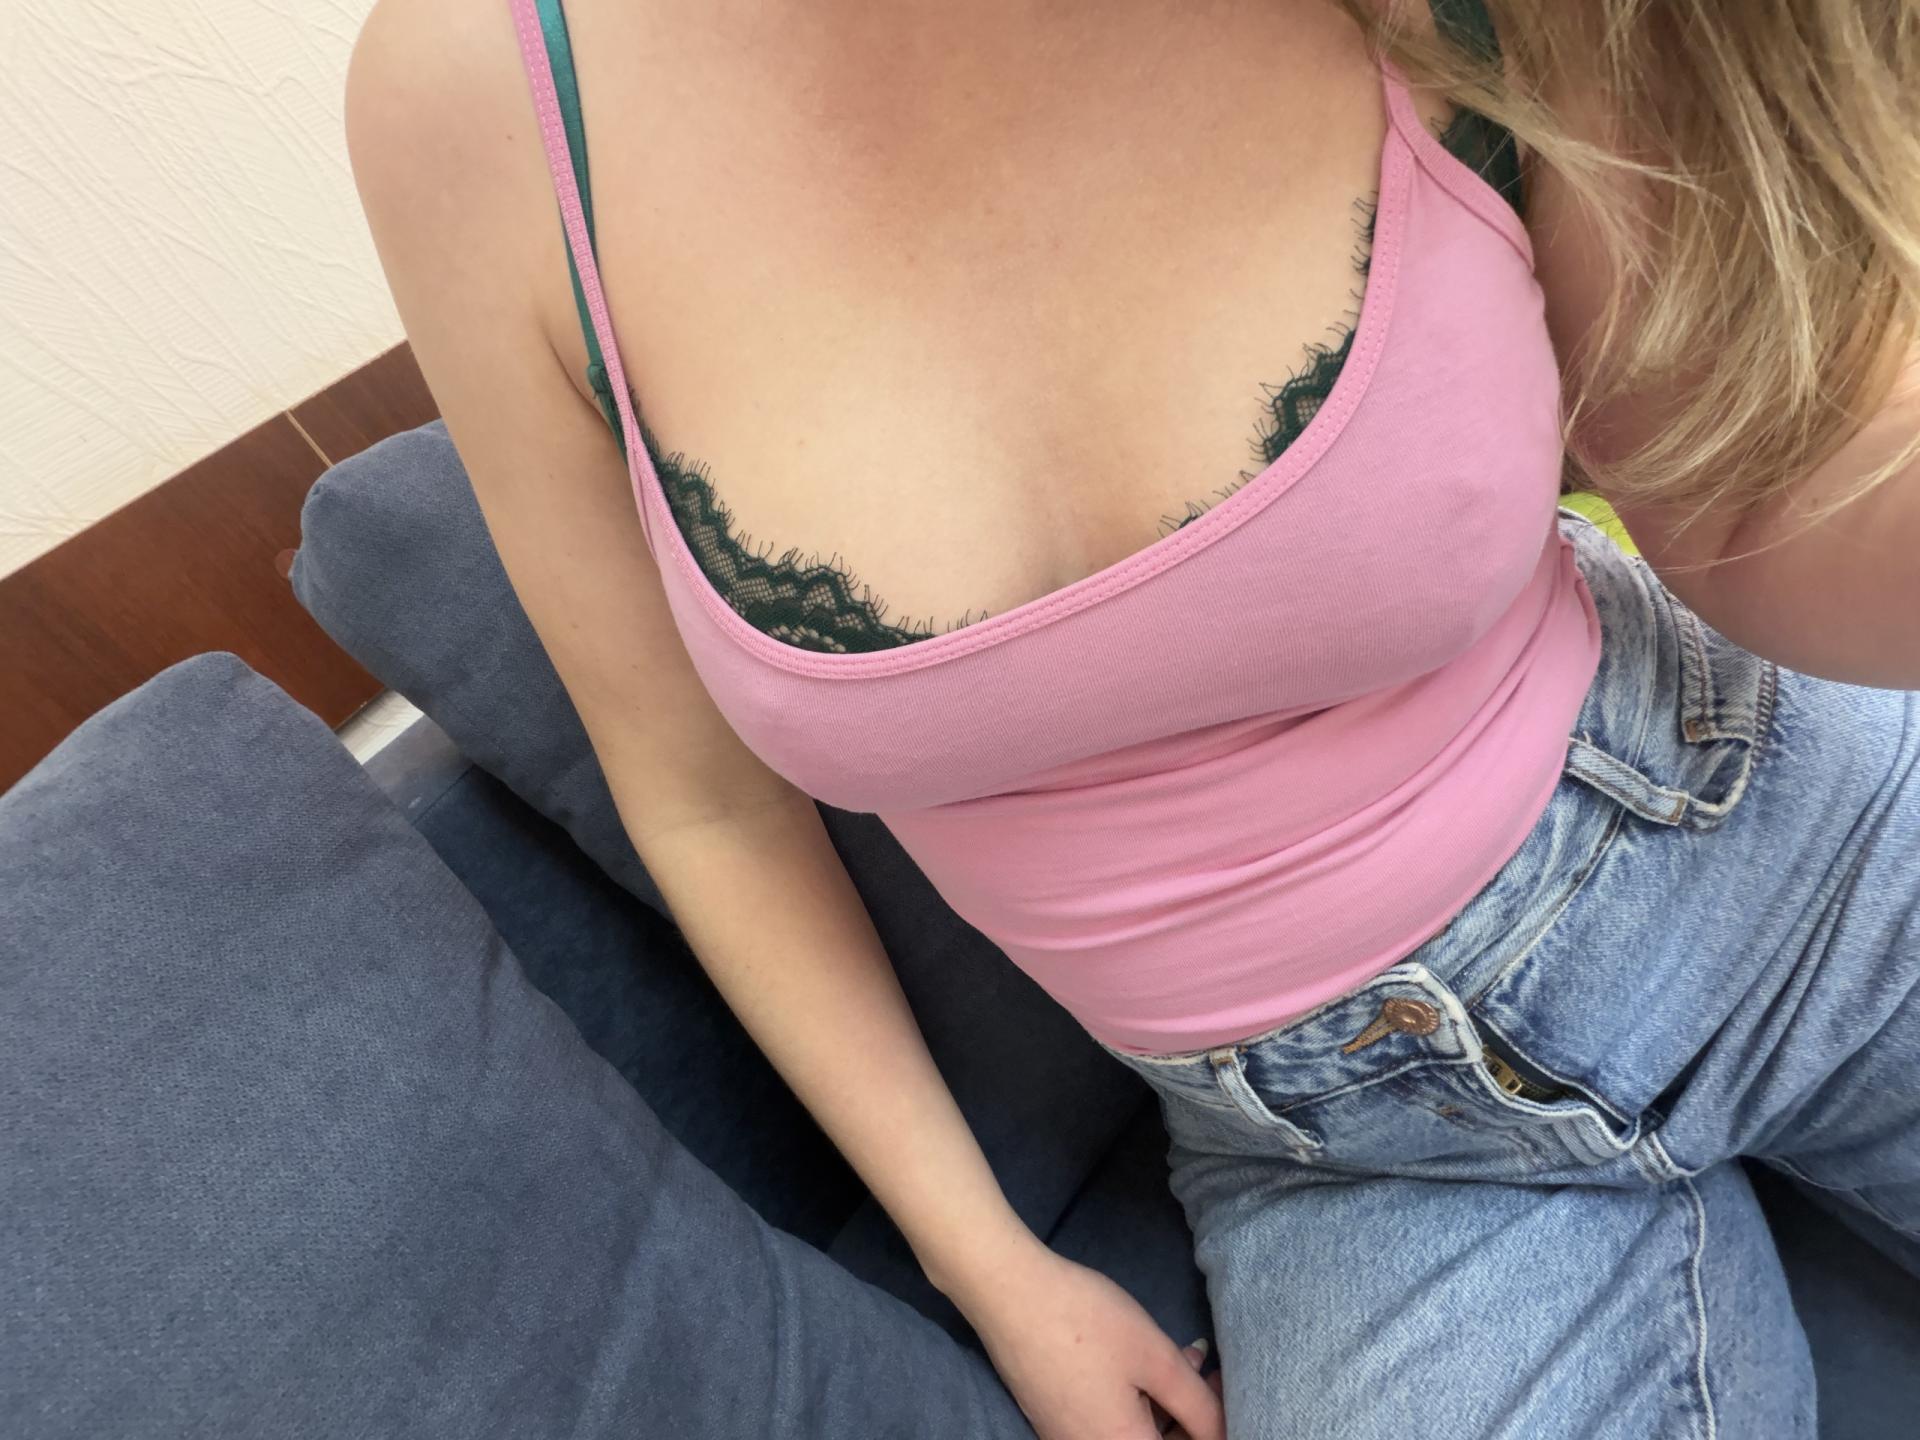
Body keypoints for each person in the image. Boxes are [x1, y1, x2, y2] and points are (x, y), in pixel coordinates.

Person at [344, 0, 1920, 1435]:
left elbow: (1737, 511)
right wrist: (994, 1273)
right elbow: (703, 802)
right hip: (1341, 1156)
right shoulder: (480, 110)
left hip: (1775, 856)